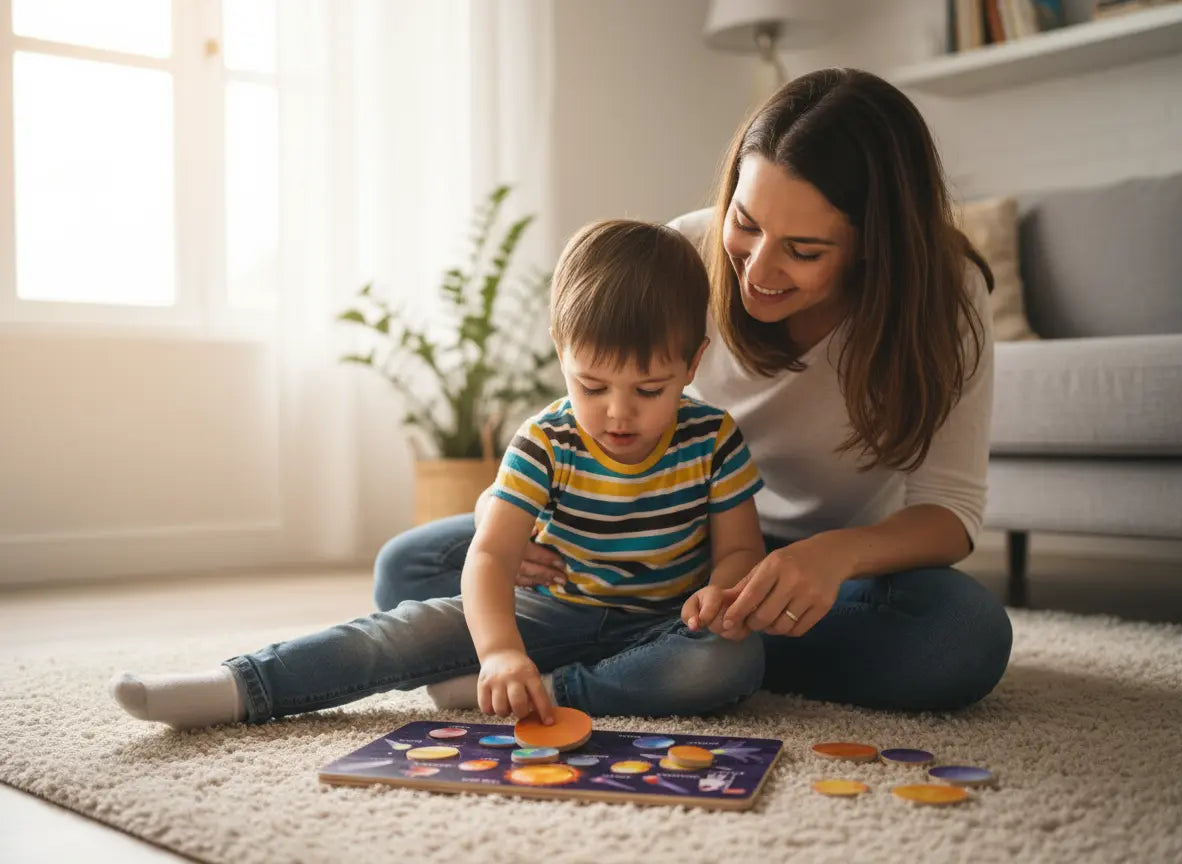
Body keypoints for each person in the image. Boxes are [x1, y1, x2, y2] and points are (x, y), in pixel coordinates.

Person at [374, 68, 1014, 713]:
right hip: (648, 543)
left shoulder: (945, 297)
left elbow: (951, 511)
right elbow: (583, 413)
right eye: (746, 223)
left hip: (821, 576)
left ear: (874, 246)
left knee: (960, 636)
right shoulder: (683, 253)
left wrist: (834, 556)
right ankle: (683, 657)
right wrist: (504, 511)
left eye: (804, 251)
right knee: (410, 567)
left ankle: (639, 658)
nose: (758, 269)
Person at [109, 219, 769, 730]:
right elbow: (490, 557)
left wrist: (721, 593)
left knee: (731, 660)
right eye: (591, 385)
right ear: (560, 350)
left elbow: (740, 549)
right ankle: (240, 686)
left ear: (692, 365)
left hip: (662, 626)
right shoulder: (547, 441)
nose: (618, 413)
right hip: (551, 611)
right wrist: (500, 651)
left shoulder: (712, 439)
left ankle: (547, 691)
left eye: (649, 390)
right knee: (402, 632)